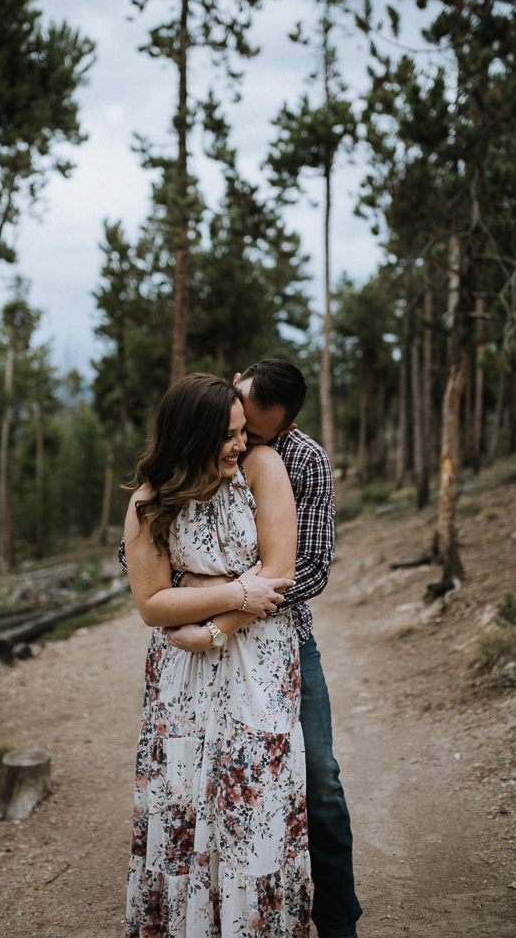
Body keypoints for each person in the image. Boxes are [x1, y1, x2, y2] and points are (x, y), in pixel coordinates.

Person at [164, 360, 362, 938]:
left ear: (284, 427)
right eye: (236, 426)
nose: (240, 443)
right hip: (194, 657)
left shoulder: (302, 459)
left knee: (317, 779)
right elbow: (138, 562)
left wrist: (224, 608)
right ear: (235, 387)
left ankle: (334, 921)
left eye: (255, 434)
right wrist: (216, 589)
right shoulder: (200, 432)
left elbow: (308, 570)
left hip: (282, 643)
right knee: (196, 783)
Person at [123, 373, 311, 937]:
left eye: (242, 433)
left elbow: (277, 575)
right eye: (228, 435)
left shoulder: (262, 468)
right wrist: (235, 590)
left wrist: (216, 627)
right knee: (182, 802)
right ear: (191, 437)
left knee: (257, 805)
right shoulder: (148, 502)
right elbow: (153, 604)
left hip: (260, 662)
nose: (241, 443)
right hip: (180, 675)